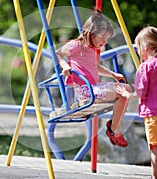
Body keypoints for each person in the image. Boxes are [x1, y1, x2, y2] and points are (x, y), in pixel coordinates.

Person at [55, 12, 132, 147]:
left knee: (126, 90)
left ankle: (114, 127)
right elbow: (58, 53)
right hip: (85, 91)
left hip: (94, 89)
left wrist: (113, 74)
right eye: (103, 37)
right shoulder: (76, 45)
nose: (105, 42)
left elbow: (96, 67)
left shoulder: (93, 50)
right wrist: (65, 65)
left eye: (107, 39)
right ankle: (114, 130)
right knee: (123, 91)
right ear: (91, 33)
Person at [116, 26, 157, 179]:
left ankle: (155, 177)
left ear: (146, 47)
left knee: (155, 148)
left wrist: (127, 94)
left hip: (153, 113)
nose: (138, 51)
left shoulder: (145, 67)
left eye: (138, 47)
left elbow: (140, 91)